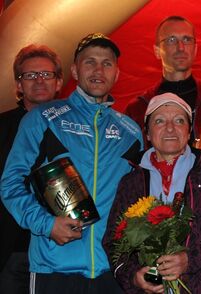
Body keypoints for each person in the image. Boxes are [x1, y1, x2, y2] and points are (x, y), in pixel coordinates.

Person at [0, 33, 143, 294]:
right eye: (90, 62)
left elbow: (142, 197)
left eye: (107, 63)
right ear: (75, 71)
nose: (99, 70)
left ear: (117, 73)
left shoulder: (131, 132)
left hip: (113, 272)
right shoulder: (42, 119)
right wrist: (47, 224)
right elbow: (10, 184)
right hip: (55, 269)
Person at [103, 93, 201, 293]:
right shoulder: (131, 183)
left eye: (179, 120)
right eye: (160, 121)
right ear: (148, 134)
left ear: (188, 132)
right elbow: (114, 241)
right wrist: (134, 276)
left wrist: (190, 261)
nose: (170, 128)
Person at [0, 44, 63, 294]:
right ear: (18, 85)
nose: (39, 81)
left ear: (59, 81)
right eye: (30, 75)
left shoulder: (74, 127)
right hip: (11, 250)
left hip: (60, 250)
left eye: (46, 75)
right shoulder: (2, 126)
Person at [124, 15, 201, 146]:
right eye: (172, 40)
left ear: (195, 49)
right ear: (157, 51)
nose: (181, 47)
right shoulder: (138, 109)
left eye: (187, 39)